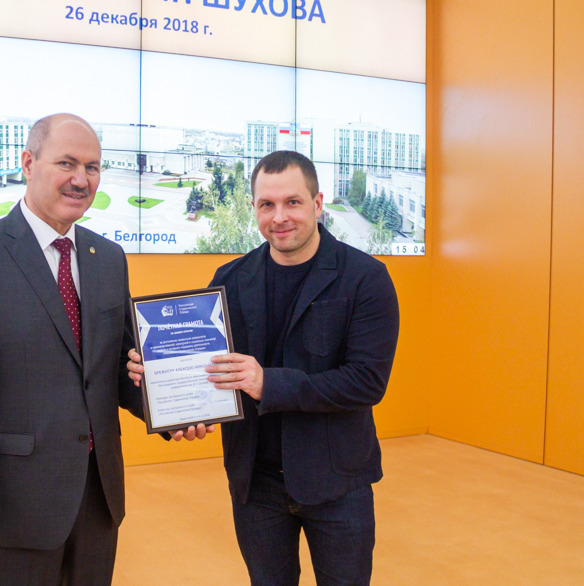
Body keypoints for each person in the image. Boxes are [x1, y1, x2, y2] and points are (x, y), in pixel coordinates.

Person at [0, 113, 208, 586]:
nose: (81, 179)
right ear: (28, 163)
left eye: (92, 167)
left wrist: (173, 411)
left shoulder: (108, 258)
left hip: (98, 502)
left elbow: (118, 370)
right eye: (67, 163)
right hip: (14, 511)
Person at [129, 150, 400, 585]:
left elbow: (366, 382)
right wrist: (159, 378)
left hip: (337, 483)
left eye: (293, 202)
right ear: (254, 207)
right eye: (266, 204)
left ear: (317, 204)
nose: (279, 217)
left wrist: (267, 383)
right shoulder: (231, 279)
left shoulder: (365, 278)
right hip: (255, 485)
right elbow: (210, 366)